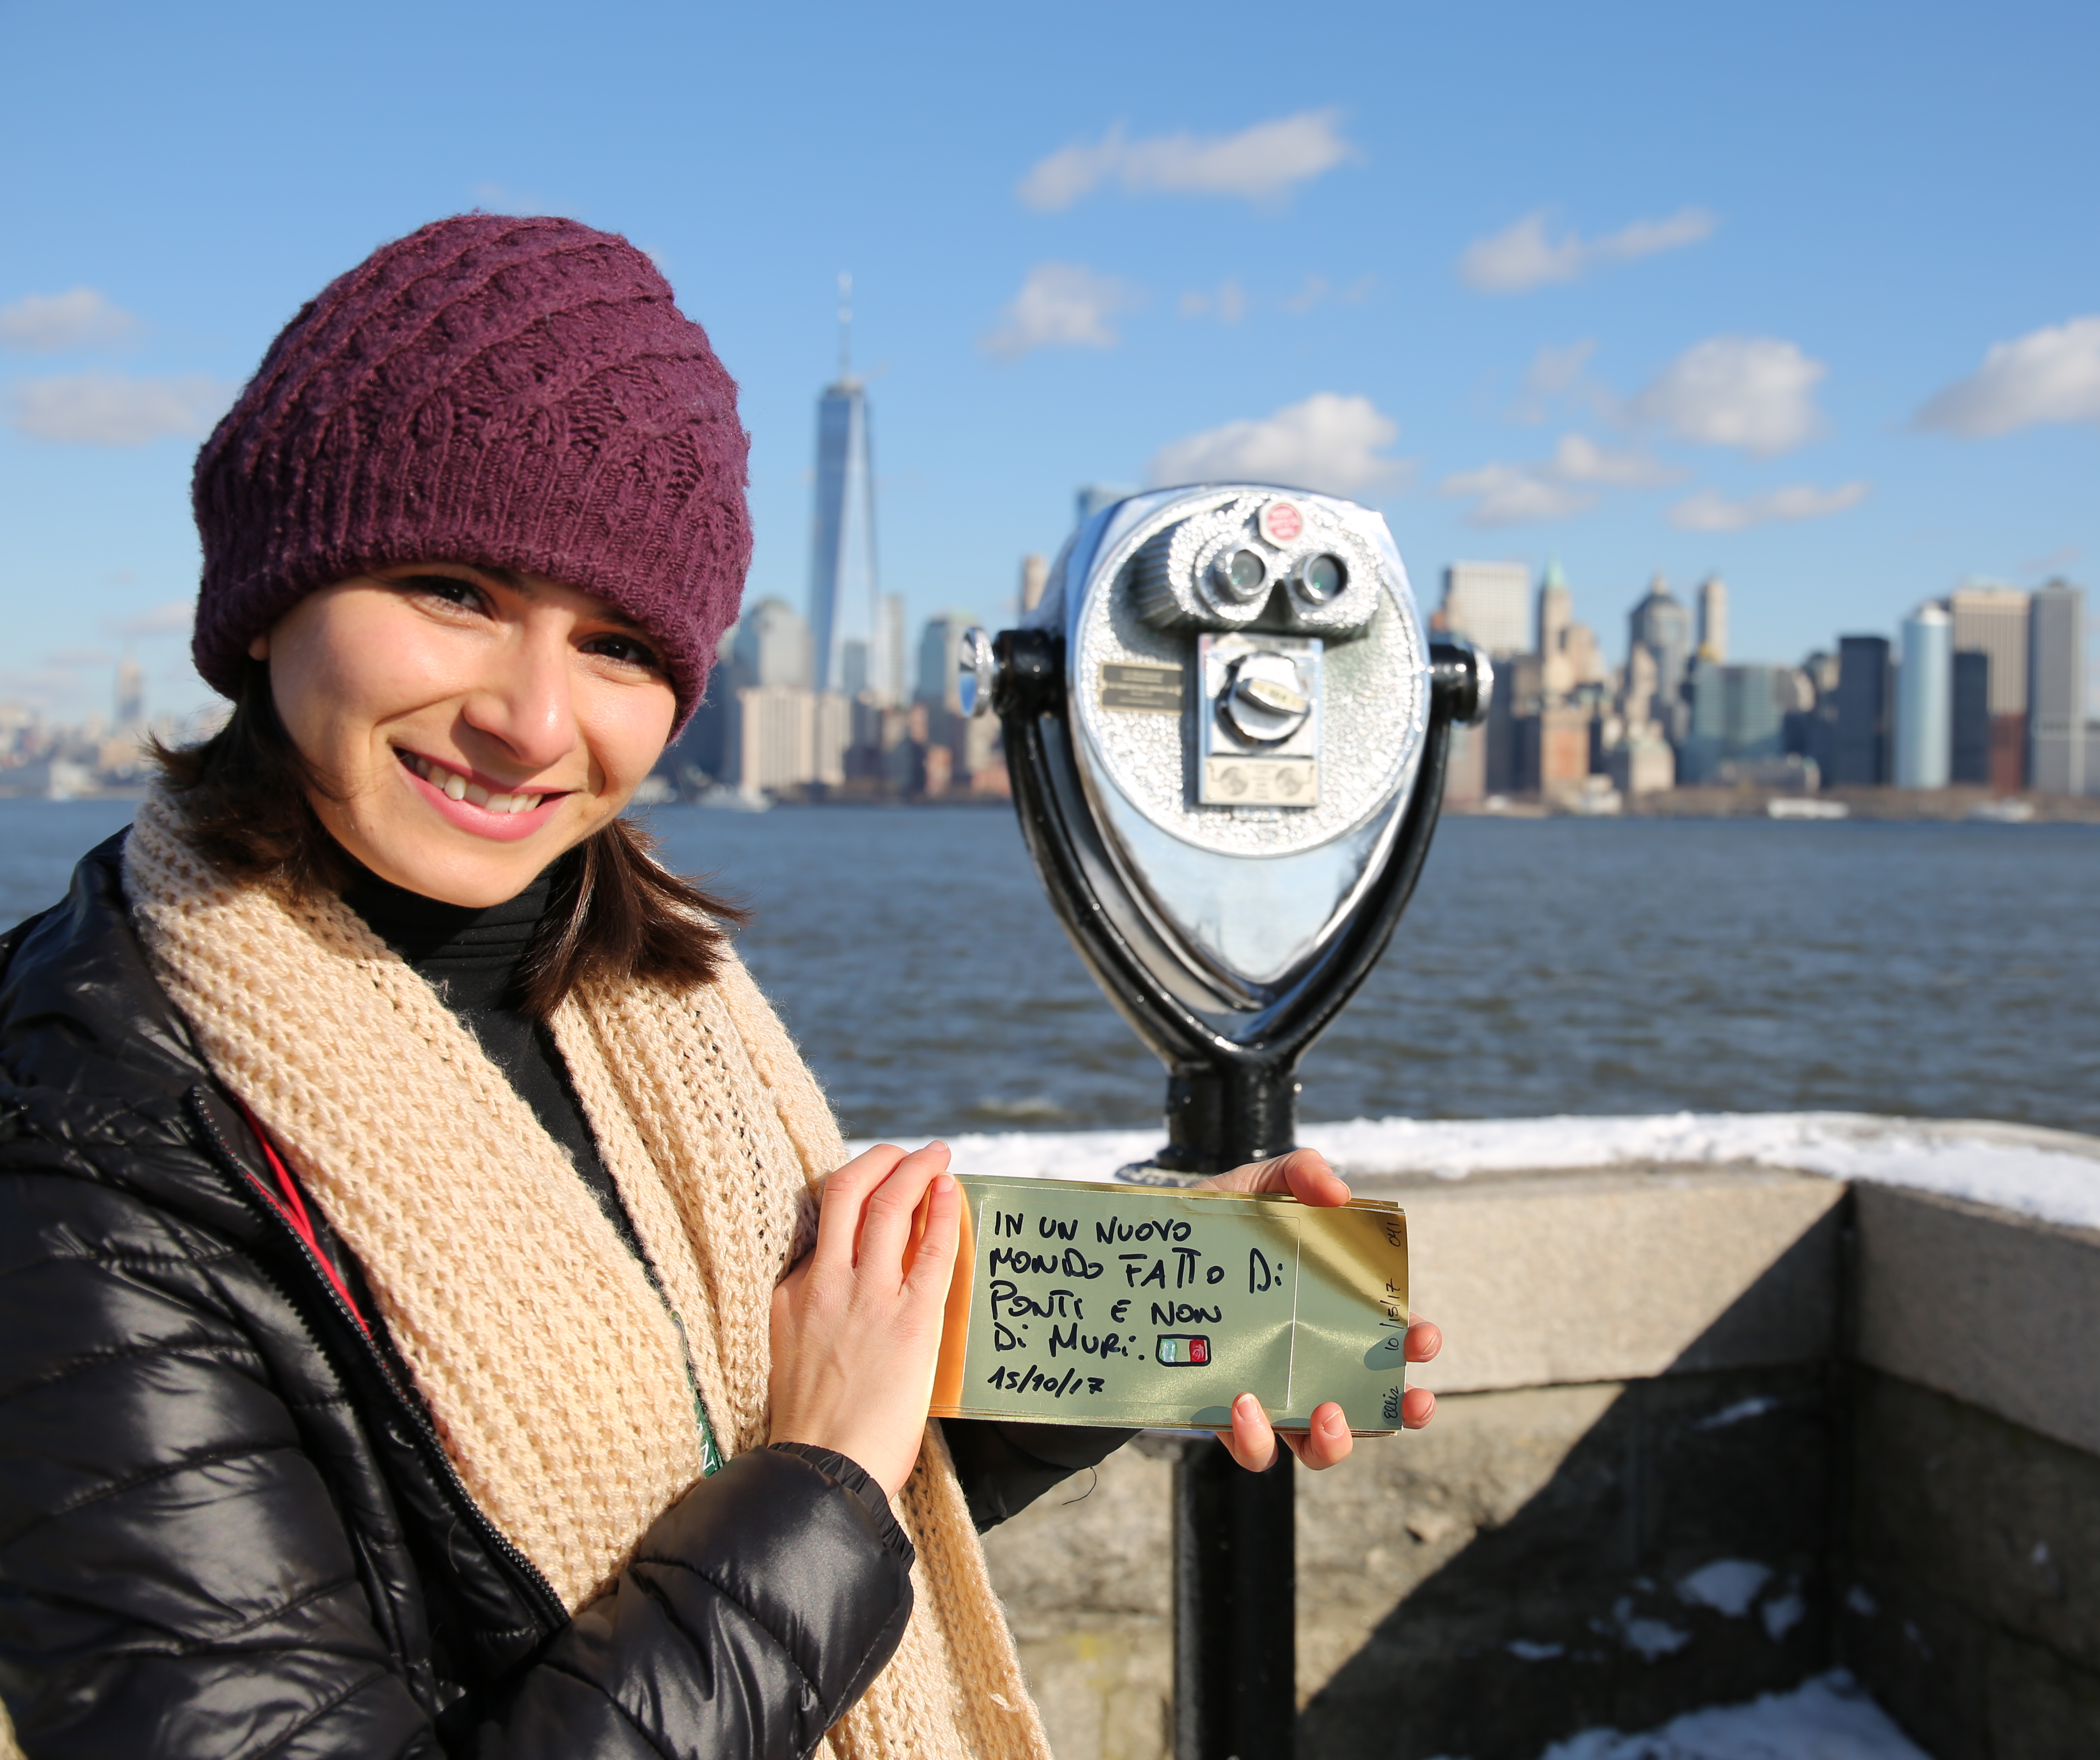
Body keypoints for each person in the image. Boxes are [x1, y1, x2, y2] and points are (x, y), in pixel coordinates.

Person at [0, 214, 1440, 1760]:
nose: (535, 720)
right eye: (452, 591)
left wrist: (1159, 1314)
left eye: (619, 643)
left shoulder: (641, 1000)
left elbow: (753, 1444)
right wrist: (821, 1475)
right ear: (273, 592)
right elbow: (799, 1473)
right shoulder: (80, 1131)